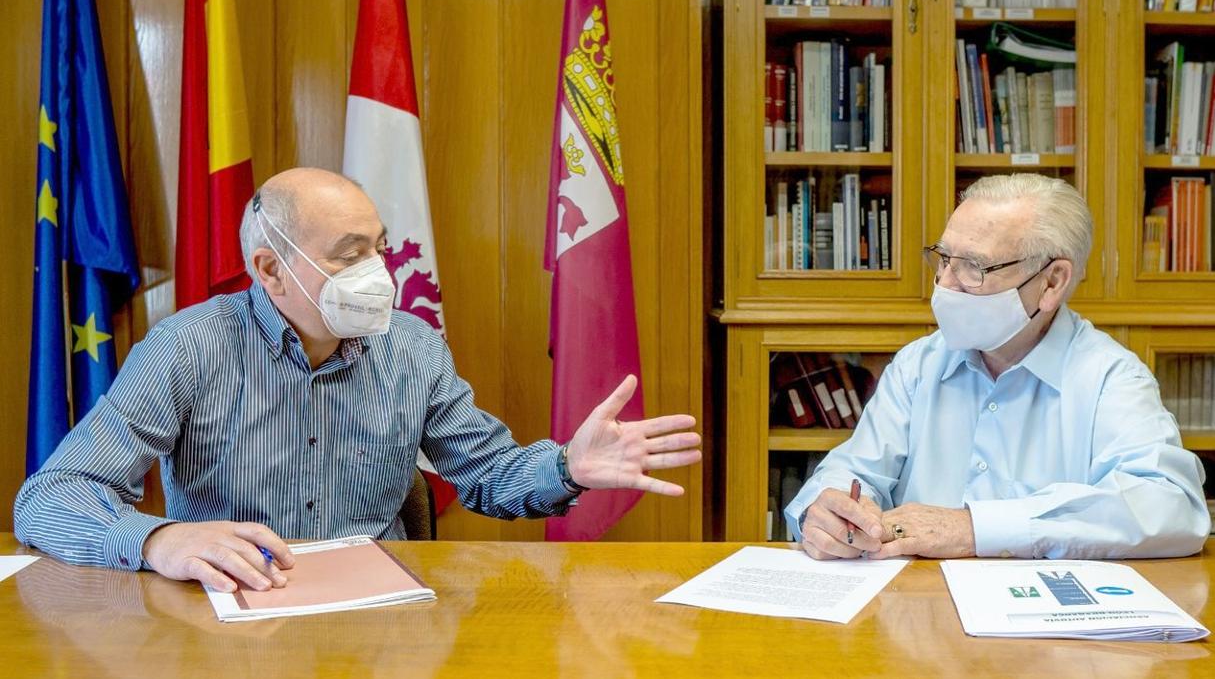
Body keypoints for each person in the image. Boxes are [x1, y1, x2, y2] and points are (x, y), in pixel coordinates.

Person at [16, 168, 701, 593]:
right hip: (234, 609)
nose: (381, 270)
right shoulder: (188, 348)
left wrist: (568, 467)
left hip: (384, 617)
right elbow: (49, 498)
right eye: (350, 255)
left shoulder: (411, 346)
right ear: (269, 268)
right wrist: (159, 540)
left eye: (377, 245)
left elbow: (488, 475)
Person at [786, 173, 1209, 561]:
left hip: (1049, 632)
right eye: (944, 259)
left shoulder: (1110, 378)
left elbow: (1170, 505)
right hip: (918, 617)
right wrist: (823, 512)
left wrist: (975, 528)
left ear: (1052, 282)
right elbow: (854, 472)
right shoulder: (919, 364)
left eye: (974, 267)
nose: (945, 284)